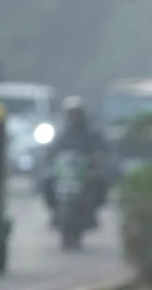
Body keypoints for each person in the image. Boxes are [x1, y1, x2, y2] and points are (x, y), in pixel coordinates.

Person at [42, 96, 107, 226]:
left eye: (76, 114)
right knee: (47, 180)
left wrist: (97, 159)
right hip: (64, 173)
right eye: (71, 114)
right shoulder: (61, 133)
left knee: (100, 181)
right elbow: (52, 150)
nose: (74, 117)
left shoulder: (92, 134)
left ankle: (92, 212)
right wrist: (49, 158)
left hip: (84, 171)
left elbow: (99, 151)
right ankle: (55, 210)